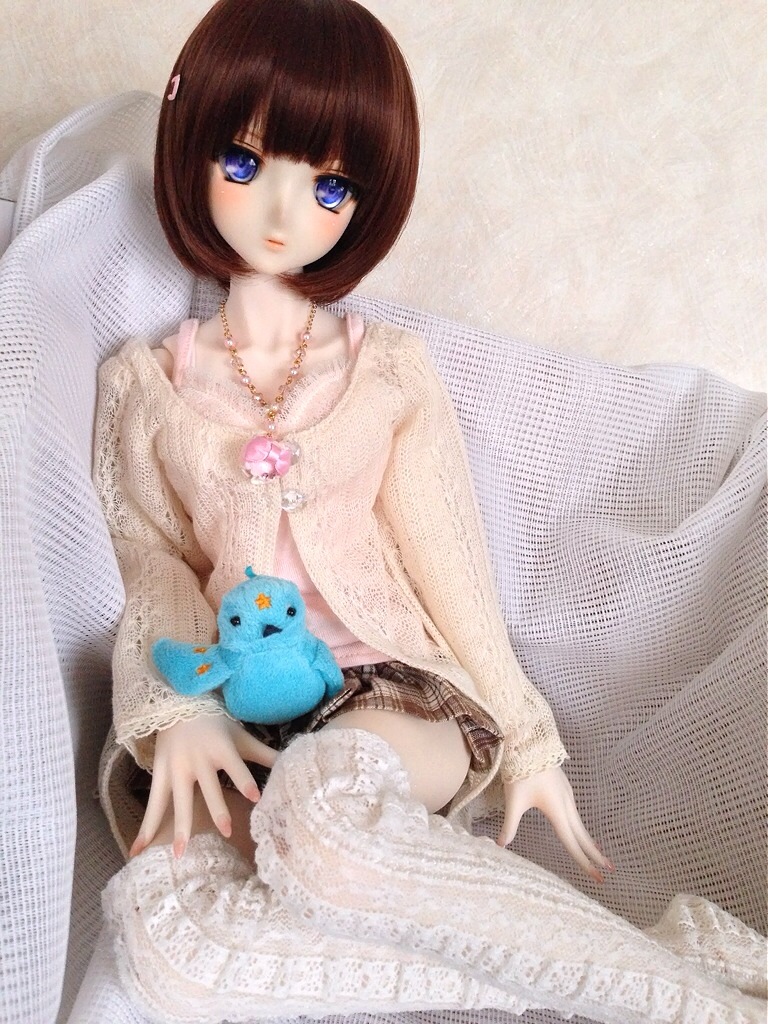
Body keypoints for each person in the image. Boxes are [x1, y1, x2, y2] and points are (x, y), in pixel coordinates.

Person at [95, 1, 766, 1021]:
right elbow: (150, 558)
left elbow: (448, 559)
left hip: (390, 691)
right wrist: (178, 710)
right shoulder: (147, 386)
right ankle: (670, 970)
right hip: (233, 708)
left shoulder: (389, 373)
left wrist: (528, 738)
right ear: (189, 147)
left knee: (322, 816)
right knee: (168, 943)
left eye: (327, 185)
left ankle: (689, 1009)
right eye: (243, 161)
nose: (280, 210)